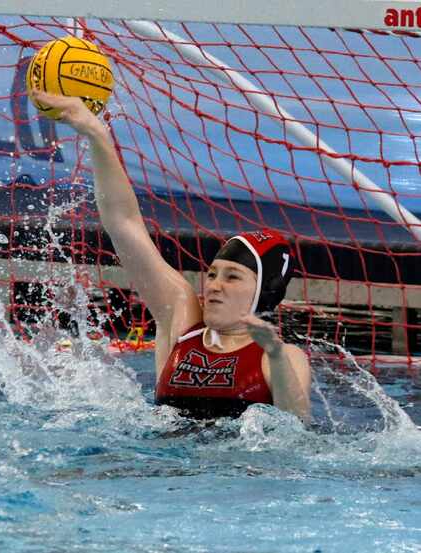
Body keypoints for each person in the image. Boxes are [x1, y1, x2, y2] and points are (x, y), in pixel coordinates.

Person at [30, 90, 311, 421]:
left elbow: (296, 423)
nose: (215, 285)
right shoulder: (182, 322)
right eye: (213, 274)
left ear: (264, 291)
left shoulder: (281, 355)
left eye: (232, 276)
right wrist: (97, 134)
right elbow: (123, 224)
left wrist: (275, 355)